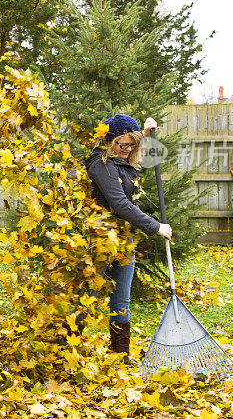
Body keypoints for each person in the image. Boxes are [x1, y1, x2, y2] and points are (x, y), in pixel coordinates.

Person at [84, 114, 173, 355]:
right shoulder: (100, 164)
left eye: (132, 145)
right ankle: (64, 353)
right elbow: (120, 204)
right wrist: (155, 227)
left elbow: (133, 141)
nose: (129, 149)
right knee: (87, 300)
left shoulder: (121, 157)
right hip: (99, 242)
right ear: (110, 141)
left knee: (121, 302)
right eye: (123, 144)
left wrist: (145, 133)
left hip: (124, 240)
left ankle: (120, 356)